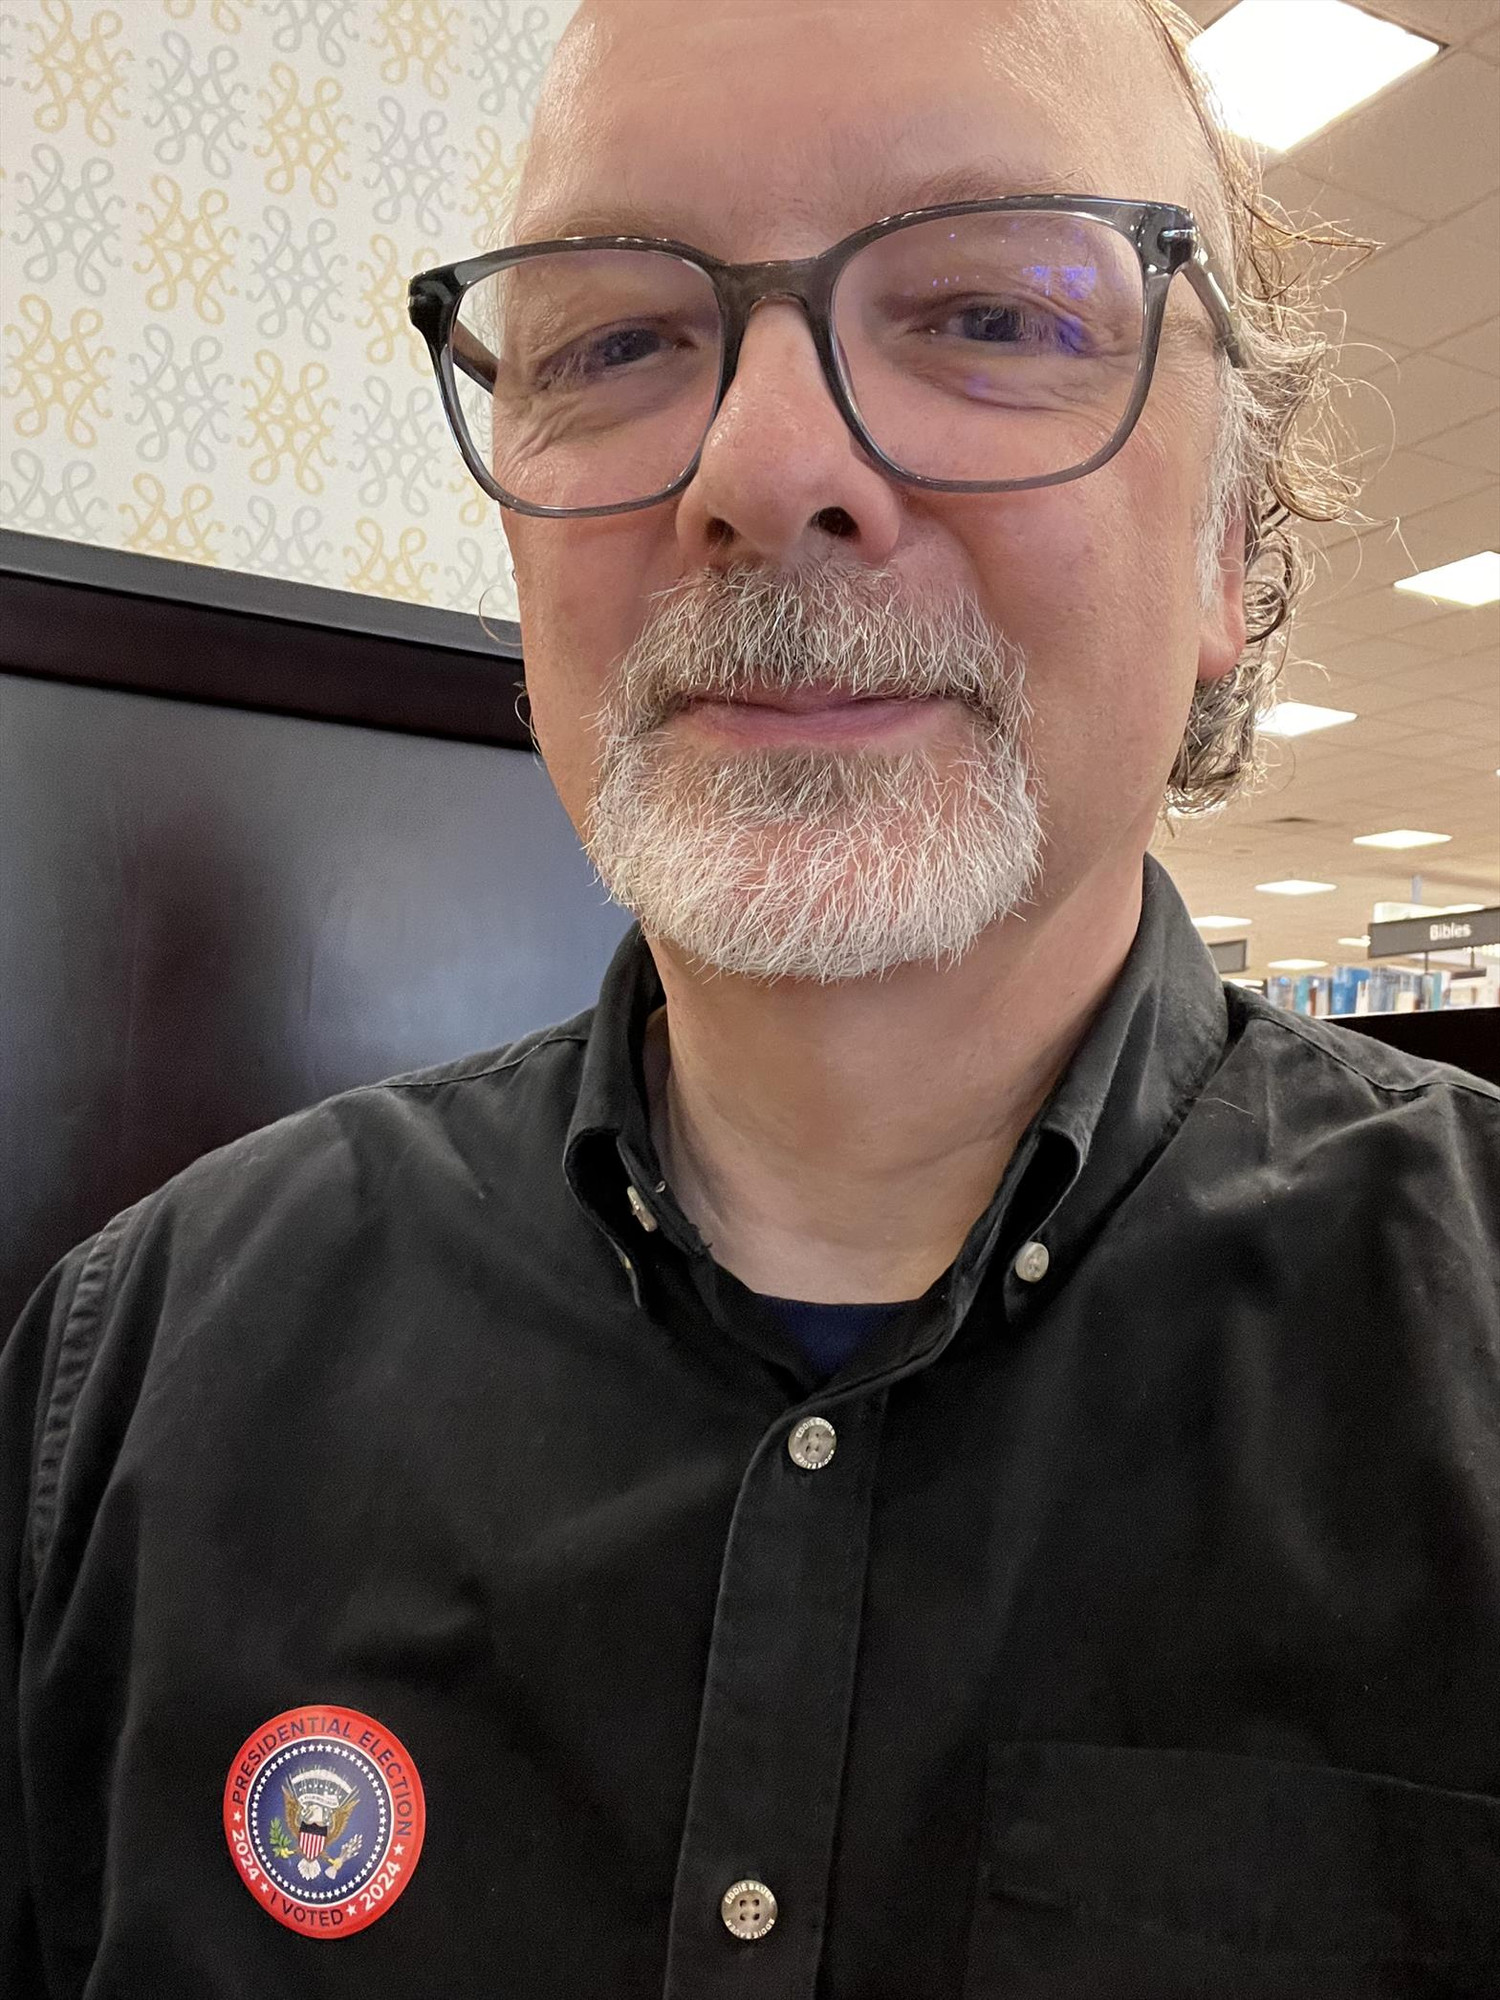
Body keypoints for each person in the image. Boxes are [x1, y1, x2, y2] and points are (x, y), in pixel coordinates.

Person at [3, 0, 1497, 1990]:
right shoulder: (143, 1371)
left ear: (1229, 548)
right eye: (616, 339)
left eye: (984, 312)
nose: (766, 464)